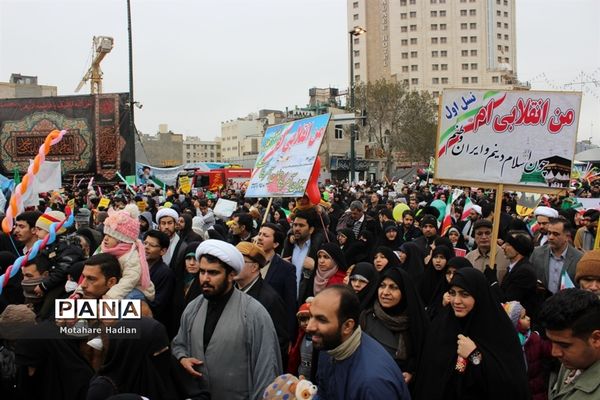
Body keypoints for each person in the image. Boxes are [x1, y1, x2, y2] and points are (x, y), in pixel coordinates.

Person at [171, 239, 282, 400]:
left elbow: (266, 369)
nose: (205, 279)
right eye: (202, 272)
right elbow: (179, 344)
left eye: (213, 273)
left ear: (231, 275)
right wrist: (182, 358)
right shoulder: (193, 308)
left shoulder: (254, 313)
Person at [415, 268, 530, 400]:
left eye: (464, 294)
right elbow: (427, 377)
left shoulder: (498, 331)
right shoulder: (440, 326)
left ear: (479, 295)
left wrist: (474, 355)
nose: (456, 301)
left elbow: (510, 385)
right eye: (452, 293)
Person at [307, 285, 411, 400]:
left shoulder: (373, 383)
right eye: (311, 316)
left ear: (347, 326)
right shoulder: (329, 345)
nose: (309, 327)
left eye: (321, 320)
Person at [360, 268, 429, 388]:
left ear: (404, 291)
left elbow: (424, 359)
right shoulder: (366, 318)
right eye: (382, 286)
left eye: (393, 287)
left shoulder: (415, 322)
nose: (385, 292)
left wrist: (412, 374)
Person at [87, 318, 179, 400]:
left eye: (166, 348)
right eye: (158, 351)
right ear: (134, 351)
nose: (165, 353)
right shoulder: (103, 389)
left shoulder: (166, 374)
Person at [538, 289, 600, 400]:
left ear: (596, 339)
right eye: (552, 341)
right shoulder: (575, 361)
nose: (554, 352)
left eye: (564, 345)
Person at [235, 241, 290, 366]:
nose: (234, 266)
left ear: (254, 267)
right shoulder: (230, 291)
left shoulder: (270, 299)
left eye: (241, 261)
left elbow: (278, 343)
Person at [86, 206, 155, 301]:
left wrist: (111, 296)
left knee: (127, 301)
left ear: (122, 240)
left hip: (137, 289)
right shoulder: (105, 249)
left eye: (111, 236)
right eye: (106, 234)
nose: (105, 238)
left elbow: (129, 280)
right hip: (116, 285)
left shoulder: (131, 257)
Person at [503, 301, 553, 400]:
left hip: (537, 391)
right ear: (514, 323)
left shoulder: (533, 338)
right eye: (523, 317)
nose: (528, 318)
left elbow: (549, 349)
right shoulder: (507, 345)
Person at [256, 223, 297, 340]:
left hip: (271, 329)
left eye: (265, 235)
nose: (260, 237)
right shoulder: (246, 263)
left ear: (276, 244)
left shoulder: (286, 269)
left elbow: (290, 304)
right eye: (259, 234)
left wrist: (289, 336)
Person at [493, 230, 540, 322]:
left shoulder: (524, 272)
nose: (503, 247)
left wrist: (493, 282)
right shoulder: (514, 268)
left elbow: (509, 303)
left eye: (508, 244)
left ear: (518, 249)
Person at [530, 218, 583, 295]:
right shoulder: (537, 253)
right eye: (549, 233)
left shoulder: (579, 258)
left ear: (567, 237)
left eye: (556, 234)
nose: (551, 237)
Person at [282, 209, 324, 302]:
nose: (296, 228)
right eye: (295, 225)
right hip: (286, 301)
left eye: (301, 225)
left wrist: (315, 267)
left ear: (311, 229)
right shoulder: (288, 245)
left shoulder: (318, 250)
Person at [143, 230, 175, 328]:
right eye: (145, 243)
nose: (146, 247)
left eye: (152, 245)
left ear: (163, 251)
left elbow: (157, 306)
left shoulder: (165, 273)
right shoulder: (137, 267)